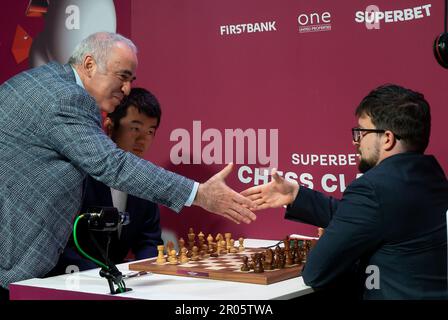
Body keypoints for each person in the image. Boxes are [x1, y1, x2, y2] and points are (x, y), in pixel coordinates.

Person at [0, 32, 256, 293]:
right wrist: (199, 194)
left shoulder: (42, 82)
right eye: (122, 76)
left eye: (131, 80)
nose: (127, 89)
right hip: (10, 256)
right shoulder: (67, 98)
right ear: (89, 65)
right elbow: (113, 165)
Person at [242, 84, 448, 299]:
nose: (354, 140)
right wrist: (297, 195)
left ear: (387, 138)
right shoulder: (432, 177)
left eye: (361, 132)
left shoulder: (372, 188)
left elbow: (316, 273)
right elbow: (367, 220)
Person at [49, 87, 165, 273]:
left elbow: (149, 240)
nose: (143, 140)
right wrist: (99, 276)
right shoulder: (78, 174)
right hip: (72, 278)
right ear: (109, 126)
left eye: (150, 131)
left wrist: (147, 271)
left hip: (116, 284)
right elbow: (59, 241)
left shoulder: (145, 181)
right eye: (135, 128)